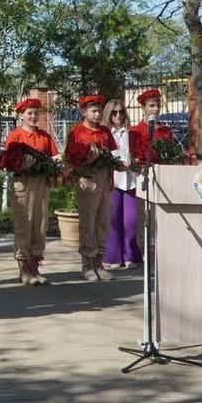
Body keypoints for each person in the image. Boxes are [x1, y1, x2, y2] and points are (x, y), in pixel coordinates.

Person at [0, 98, 60, 286]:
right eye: (29, 113)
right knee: (24, 224)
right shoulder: (16, 135)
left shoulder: (44, 136)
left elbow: (54, 155)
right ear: (21, 116)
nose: (33, 117)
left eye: (36, 113)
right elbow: (5, 162)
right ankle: (24, 268)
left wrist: (59, 163)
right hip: (23, 183)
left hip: (41, 182)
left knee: (40, 224)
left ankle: (35, 266)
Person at [65, 95, 124, 281]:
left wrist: (118, 164)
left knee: (103, 222)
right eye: (94, 111)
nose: (98, 115)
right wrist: (87, 159)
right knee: (88, 222)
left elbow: (112, 154)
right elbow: (71, 159)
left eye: (99, 111)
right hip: (88, 179)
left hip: (105, 179)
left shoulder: (105, 131)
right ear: (84, 112)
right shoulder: (77, 132)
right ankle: (87, 265)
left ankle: (100, 262)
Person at [102, 98, 142, 270]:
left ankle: (131, 255)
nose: (118, 115)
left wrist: (135, 161)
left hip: (130, 181)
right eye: (114, 112)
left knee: (130, 221)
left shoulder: (131, 133)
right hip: (113, 180)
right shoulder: (105, 134)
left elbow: (138, 152)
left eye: (121, 112)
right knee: (113, 220)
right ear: (108, 115)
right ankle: (112, 257)